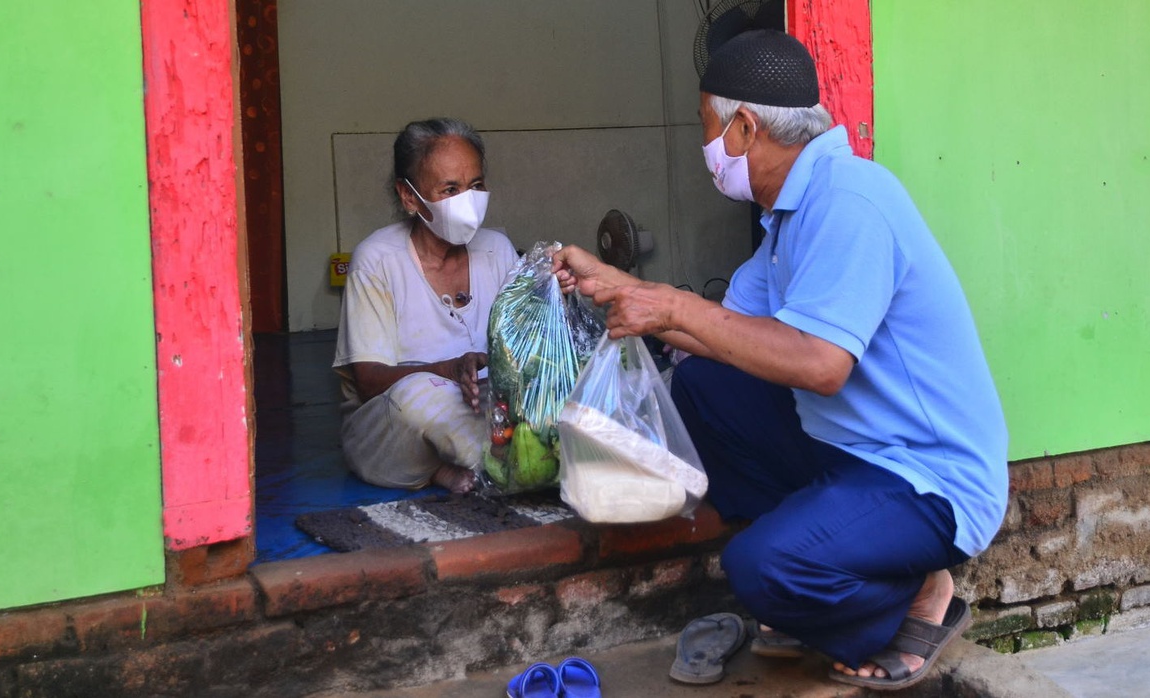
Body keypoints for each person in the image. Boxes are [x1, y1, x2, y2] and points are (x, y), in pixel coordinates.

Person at [553, 30, 1008, 691]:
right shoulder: (787, 217)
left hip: (928, 478)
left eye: (706, 127)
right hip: (852, 450)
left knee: (760, 571)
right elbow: (725, 335)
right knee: (703, 385)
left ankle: (910, 595)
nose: (704, 146)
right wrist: (612, 287)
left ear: (744, 127)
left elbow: (822, 365)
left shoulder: (851, 201)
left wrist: (672, 308)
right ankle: (835, 558)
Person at [333, 117, 518, 493]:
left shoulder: (497, 249)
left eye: (476, 185)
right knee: (420, 396)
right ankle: (515, 468)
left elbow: (525, 349)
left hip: (486, 410)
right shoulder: (378, 259)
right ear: (408, 196)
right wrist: (450, 370)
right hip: (392, 431)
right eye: (450, 189)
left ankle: (461, 465)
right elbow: (368, 382)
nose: (467, 200)